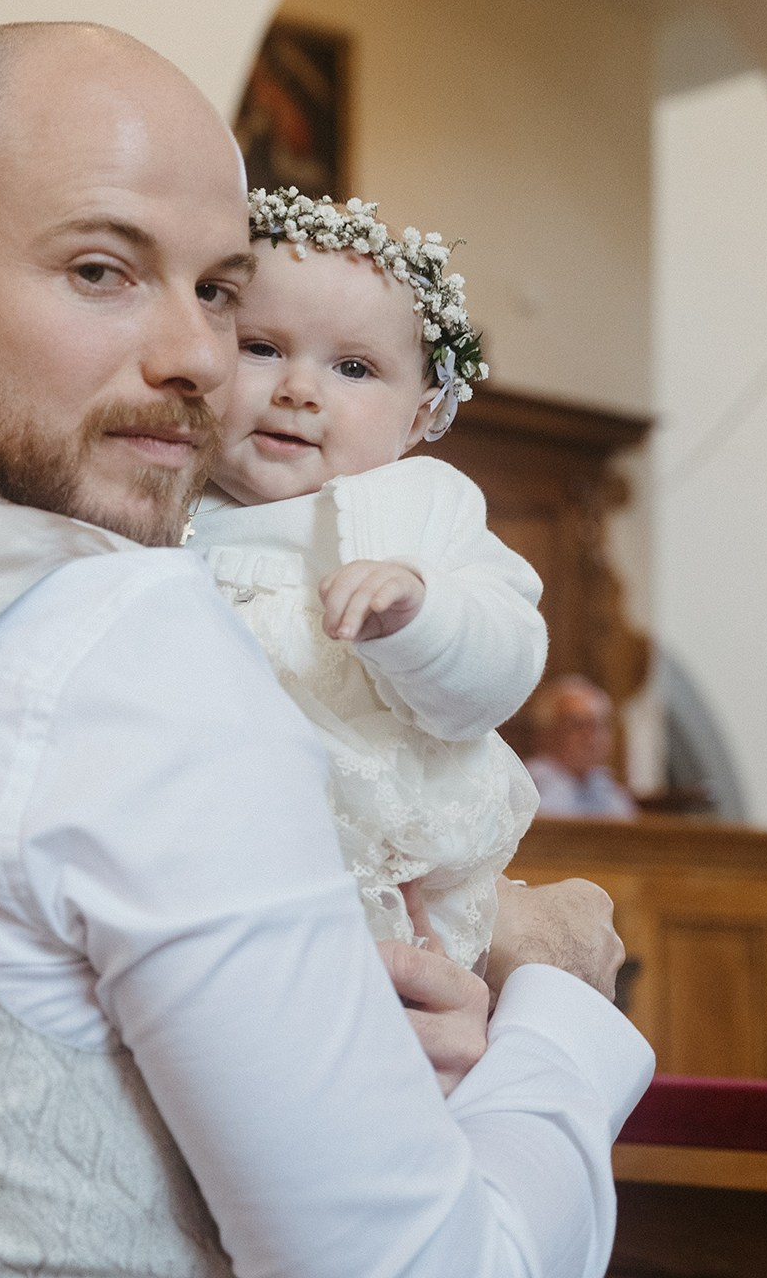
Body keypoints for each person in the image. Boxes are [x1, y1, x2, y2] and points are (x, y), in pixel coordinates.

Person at [0, 23, 653, 1277]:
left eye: (217, 291)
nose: (198, 357)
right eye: (103, 271)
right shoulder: (116, 632)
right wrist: (566, 1016)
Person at [189, 187, 545, 971]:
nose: (298, 389)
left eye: (353, 367)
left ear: (418, 419)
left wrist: (422, 617)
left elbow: (508, 659)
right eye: (261, 347)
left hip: (372, 865)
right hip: (196, 843)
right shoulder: (162, 496)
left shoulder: (420, 505)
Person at [527, 674, 641, 821]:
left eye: (600, 726)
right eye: (579, 726)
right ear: (547, 733)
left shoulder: (609, 790)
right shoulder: (529, 788)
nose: (592, 737)